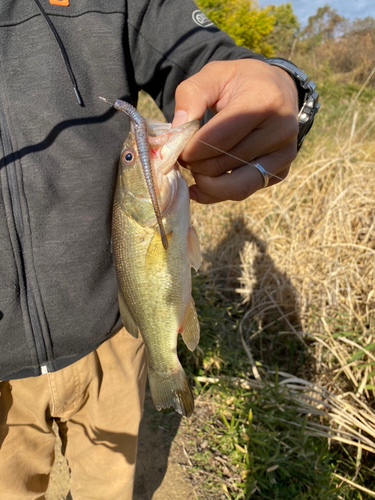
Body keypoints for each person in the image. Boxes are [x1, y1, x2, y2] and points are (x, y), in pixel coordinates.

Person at [0, 1, 318, 499]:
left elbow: (202, 58)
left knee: (108, 486)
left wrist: (282, 86)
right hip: (3, 368)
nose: (139, 150)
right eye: (133, 156)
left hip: (114, 331)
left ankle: (167, 370)